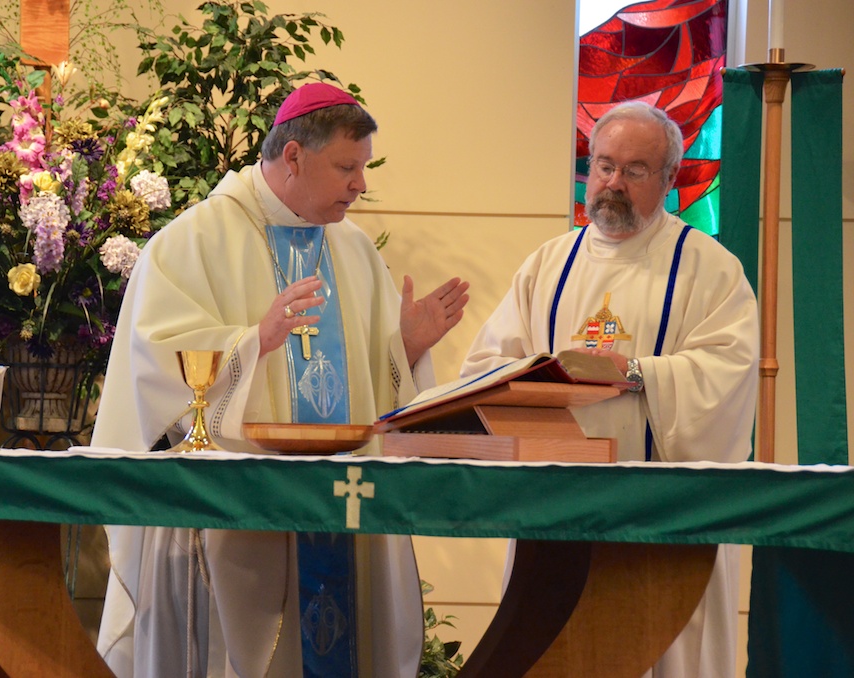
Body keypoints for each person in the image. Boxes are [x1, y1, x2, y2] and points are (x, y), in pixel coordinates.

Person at [93, 82, 470, 678]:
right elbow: (151, 365)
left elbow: (373, 393)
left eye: (362, 167)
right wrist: (253, 342)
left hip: (340, 511)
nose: (360, 184)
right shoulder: (191, 241)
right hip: (230, 523)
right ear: (293, 156)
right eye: (347, 167)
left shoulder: (355, 251)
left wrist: (407, 349)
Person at [461, 100, 758, 678]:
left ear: (671, 177)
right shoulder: (550, 263)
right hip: (557, 513)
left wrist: (637, 375)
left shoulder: (711, 269)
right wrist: (534, 381)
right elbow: (487, 367)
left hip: (665, 527)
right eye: (602, 166)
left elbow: (728, 373)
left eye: (634, 170)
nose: (612, 184)